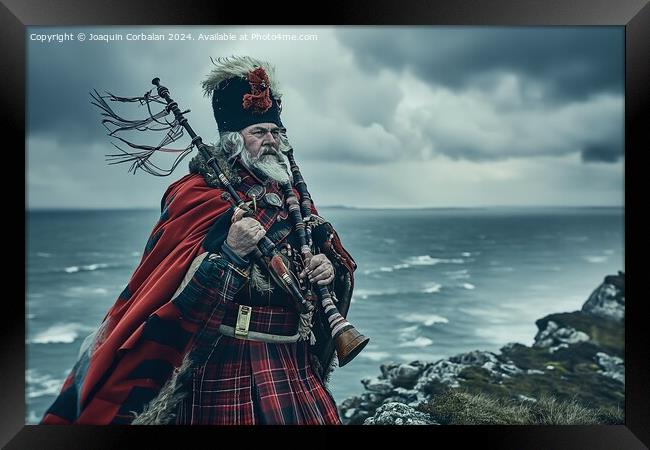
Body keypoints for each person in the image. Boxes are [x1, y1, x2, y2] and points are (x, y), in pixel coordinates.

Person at [41, 56, 358, 425]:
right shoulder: (197, 195)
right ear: (233, 140)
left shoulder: (292, 195)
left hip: (294, 365)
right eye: (259, 132)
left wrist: (326, 269)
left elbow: (318, 270)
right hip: (226, 365)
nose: (271, 141)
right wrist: (232, 252)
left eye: (275, 131)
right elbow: (184, 303)